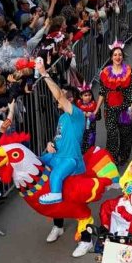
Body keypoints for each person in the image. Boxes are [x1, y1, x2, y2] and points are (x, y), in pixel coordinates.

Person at [35, 57, 86, 207]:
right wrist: (51, 144)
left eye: (62, 96)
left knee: (57, 176)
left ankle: (55, 194)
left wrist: (44, 73)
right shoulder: (63, 117)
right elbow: (59, 137)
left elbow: (58, 95)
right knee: (38, 161)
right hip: (57, 156)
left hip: (71, 161)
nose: (56, 98)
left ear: (69, 99)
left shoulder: (76, 114)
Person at [96, 43, 132, 167]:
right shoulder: (105, 72)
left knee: (125, 134)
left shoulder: (130, 72)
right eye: (115, 55)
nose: (118, 57)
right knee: (112, 134)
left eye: (120, 54)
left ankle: (123, 157)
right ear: (111, 57)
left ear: (122, 56)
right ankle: (111, 159)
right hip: (110, 109)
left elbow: (131, 90)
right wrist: (96, 109)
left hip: (125, 109)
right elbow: (102, 92)